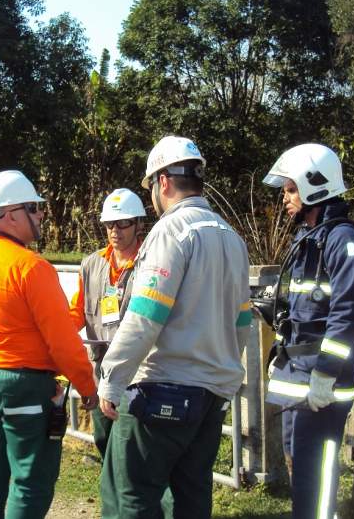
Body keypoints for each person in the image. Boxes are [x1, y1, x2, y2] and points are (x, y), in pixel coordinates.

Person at [98, 136, 252, 519]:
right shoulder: (231, 238)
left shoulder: (170, 232)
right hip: (212, 394)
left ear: (163, 181)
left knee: (131, 497)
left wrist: (113, 378)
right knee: (192, 495)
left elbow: (145, 317)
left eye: (150, 185)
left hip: (163, 388)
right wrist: (226, 376)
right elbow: (243, 321)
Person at [0, 170, 98, 519]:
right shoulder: (32, 268)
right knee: (31, 479)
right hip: (22, 385)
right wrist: (88, 388)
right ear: (11, 214)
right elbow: (62, 341)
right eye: (35, 206)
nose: (42, 213)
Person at [261, 143, 354, 519]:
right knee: (299, 462)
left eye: (290, 189)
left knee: (318, 472)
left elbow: (346, 313)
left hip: (322, 382)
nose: (285, 198)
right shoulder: (308, 238)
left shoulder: (345, 241)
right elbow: (302, 307)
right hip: (297, 373)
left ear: (315, 187)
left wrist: (324, 374)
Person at [68, 188, 146, 457]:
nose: (115, 230)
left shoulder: (150, 264)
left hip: (138, 371)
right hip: (100, 369)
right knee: (103, 439)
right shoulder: (91, 264)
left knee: (131, 447)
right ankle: (113, 493)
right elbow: (75, 312)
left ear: (138, 224)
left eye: (123, 223)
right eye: (110, 224)